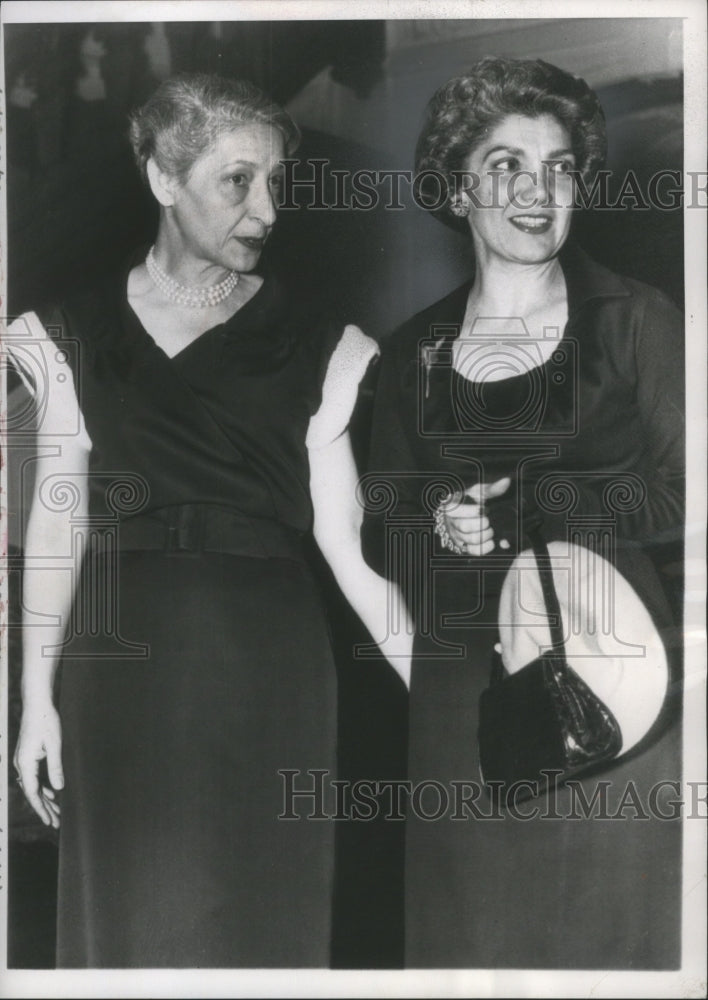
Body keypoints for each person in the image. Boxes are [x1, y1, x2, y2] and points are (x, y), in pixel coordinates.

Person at [9, 72, 411, 968]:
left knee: (262, 934)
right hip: (122, 672)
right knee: (129, 931)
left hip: (270, 671)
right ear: (163, 177)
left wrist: (444, 693)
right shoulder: (68, 333)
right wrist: (36, 702)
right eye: (238, 181)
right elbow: (58, 527)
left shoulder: (324, 344)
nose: (267, 209)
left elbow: (347, 550)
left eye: (276, 182)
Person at [362, 56, 684, 969]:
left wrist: (545, 502)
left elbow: (689, 492)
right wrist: (437, 519)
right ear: (458, 187)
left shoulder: (636, 320)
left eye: (558, 168)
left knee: (606, 944)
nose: (537, 191)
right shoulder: (413, 352)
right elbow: (381, 527)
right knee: (474, 948)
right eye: (505, 165)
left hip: (608, 677)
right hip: (466, 702)